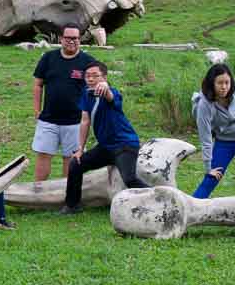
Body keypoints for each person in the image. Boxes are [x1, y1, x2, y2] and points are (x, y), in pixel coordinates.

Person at [60, 61, 148, 213]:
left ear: (105, 77)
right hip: (105, 147)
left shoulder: (112, 92)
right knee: (75, 164)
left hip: (124, 146)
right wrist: (80, 149)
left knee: (129, 179)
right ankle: (72, 205)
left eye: (95, 76)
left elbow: (110, 96)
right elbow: (85, 121)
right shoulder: (87, 94)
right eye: (87, 76)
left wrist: (106, 88)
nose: (91, 79)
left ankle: (160, 197)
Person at [32, 25, 95, 184]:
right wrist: (36, 110)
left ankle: (66, 194)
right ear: (61, 39)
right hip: (48, 119)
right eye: (68, 38)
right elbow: (38, 84)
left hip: (75, 121)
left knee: (71, 158)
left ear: (79, 40)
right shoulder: (48, 58)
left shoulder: (88, 62)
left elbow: (94, 88)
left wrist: (88, 114)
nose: (72, 41)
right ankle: (38, 192)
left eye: (75, 38)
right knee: (44, 155)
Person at [192, 64, 235, 198]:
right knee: (211, 178)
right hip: (225, 142)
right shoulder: (203, 105)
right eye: (219, 83)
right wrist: (208, 168)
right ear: (212, 83)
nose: (224, 87)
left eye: (227, 82)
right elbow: (205, 139)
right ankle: (189, 209)